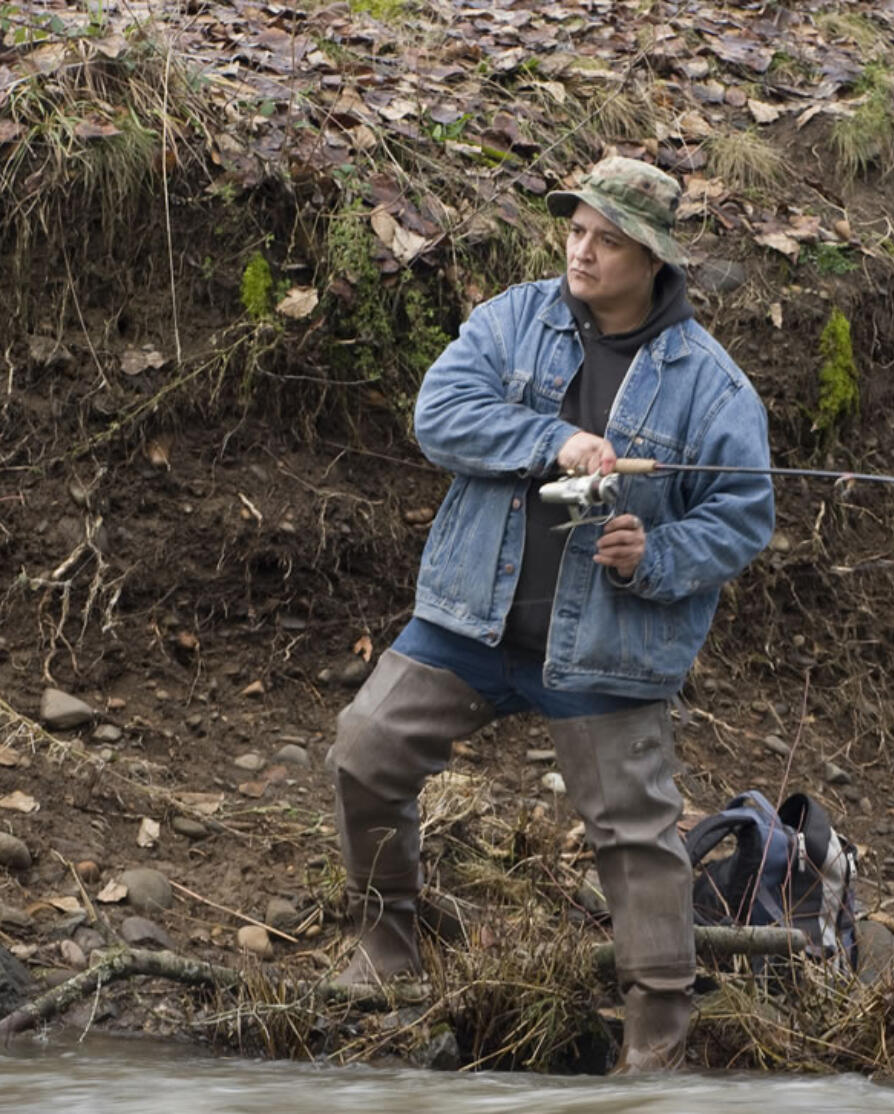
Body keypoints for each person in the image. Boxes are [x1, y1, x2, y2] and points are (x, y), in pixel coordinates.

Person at [327, 156, 775, 1072]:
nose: (583, 251)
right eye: (575, 231)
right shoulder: (512, 320)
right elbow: (439, 414)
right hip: (471, 617)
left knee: (639, 843)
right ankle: (385, 952)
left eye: (607, 240)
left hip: (608, 646)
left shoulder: (713, 385)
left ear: (651, 259)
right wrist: (551, 439)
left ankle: (656, 1054)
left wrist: (655, 559)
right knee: (364, 752)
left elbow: (742, 515)